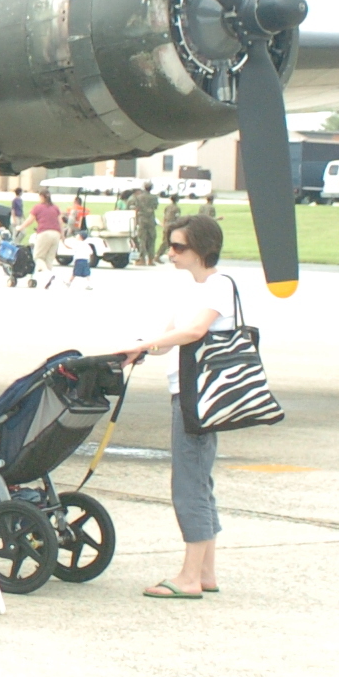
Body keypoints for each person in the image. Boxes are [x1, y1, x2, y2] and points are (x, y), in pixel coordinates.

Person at [120, 214, 237, 600]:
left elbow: (194, 332)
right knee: (199, 479)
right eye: (170, 245)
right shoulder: (192, 289)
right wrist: (140, 346)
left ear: (203, 248)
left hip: (198, 393)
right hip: (184, 388)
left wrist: (152, 343)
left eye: (179, 247)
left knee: (188, 483)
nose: (170, 253)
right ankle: (205, 572)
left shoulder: (218, 287)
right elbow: (171, 338)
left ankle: (188, 577)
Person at [29, 191, 64, 280]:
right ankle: (48, 279)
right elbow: (60, 222)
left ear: (42, 197)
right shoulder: (55, 208)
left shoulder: (38, 207)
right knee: (49, 258)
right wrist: (62, 235)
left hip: (44, 233)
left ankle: (48, 273)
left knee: (38, 257)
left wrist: (20, 227)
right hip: (56, 234)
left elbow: (30, 220)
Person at [129, 184, 159, 265]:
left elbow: (136, 208)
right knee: (151, 239)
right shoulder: (154, 197)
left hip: (142, 219)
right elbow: (155, 207)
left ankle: (142, 259)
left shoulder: (139, 197)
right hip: (151, 219)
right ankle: (151, 259)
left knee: (142, 239)